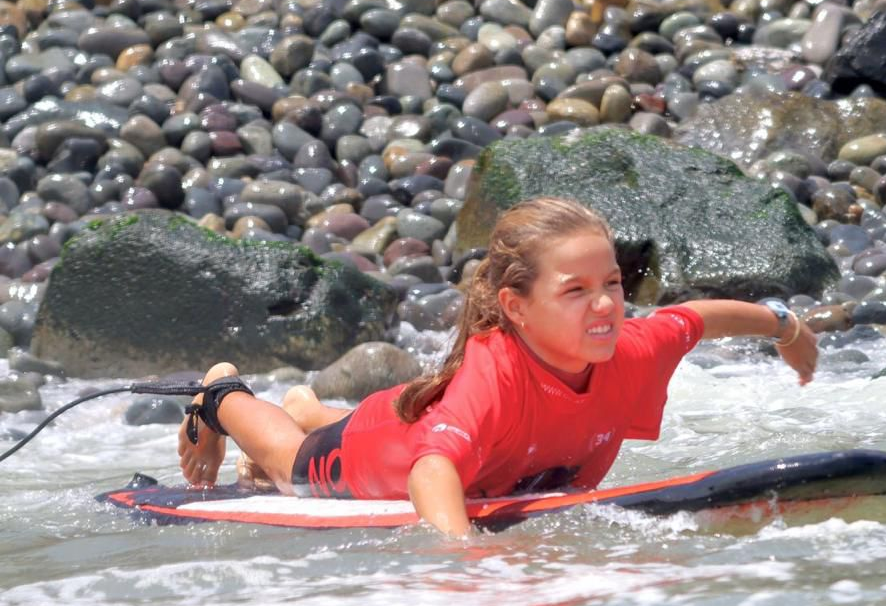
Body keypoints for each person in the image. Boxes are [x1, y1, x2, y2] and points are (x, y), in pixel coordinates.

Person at [177, 196, 818, 536]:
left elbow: (694, 318)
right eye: (575, 291)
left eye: (613, 283)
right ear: (517, 306)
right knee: (288, 463)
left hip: (417, 418)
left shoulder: (629, 348)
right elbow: (432, 472)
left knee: (369, 420)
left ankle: (311, 407)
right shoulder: (494, 374)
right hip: (376, 456)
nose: (605, 305)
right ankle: (222, 396)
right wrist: (464, 563)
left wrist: (786, 327)